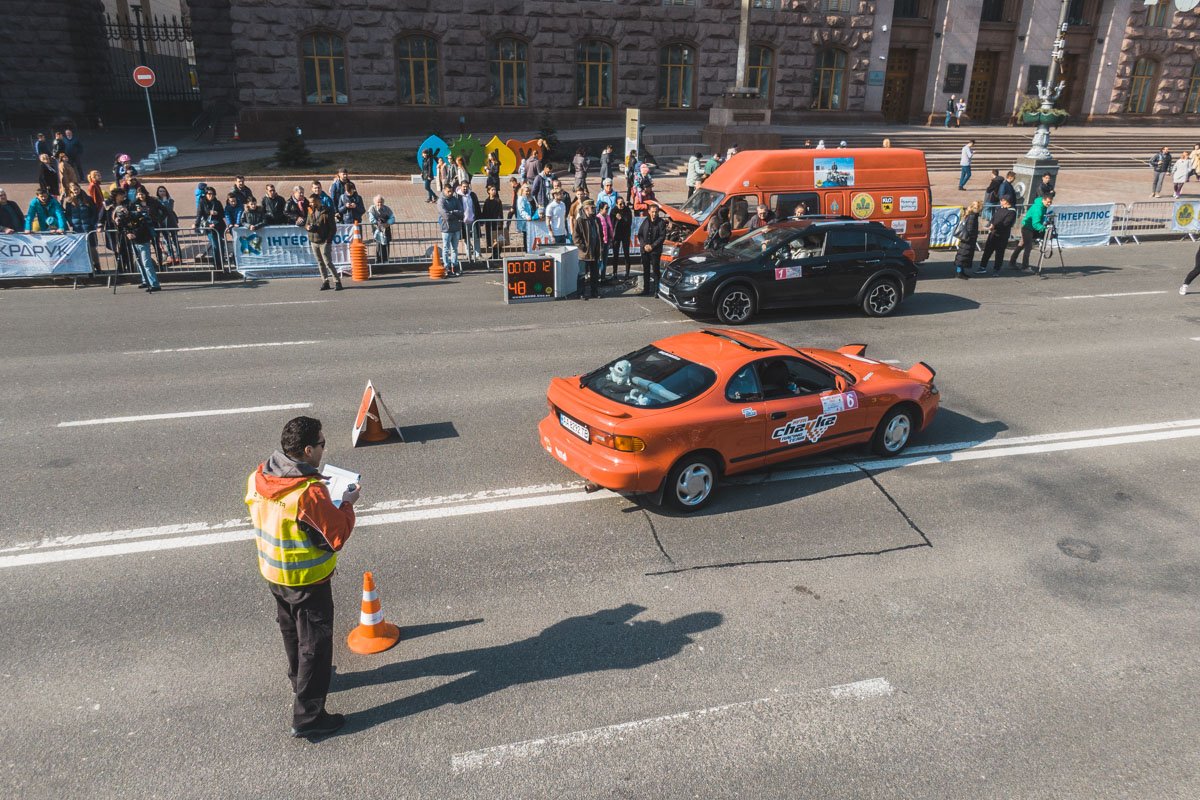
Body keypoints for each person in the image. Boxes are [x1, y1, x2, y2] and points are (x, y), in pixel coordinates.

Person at [245, 415, 360, 739]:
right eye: (322, 444)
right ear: (308, 450)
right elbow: (335, 535)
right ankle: (308, 716)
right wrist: (347, 505)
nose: (324, 448)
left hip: (273, 571)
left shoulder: (259, 476)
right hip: (306, 579)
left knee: (291, 630)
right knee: (316, 644)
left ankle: (299, 678)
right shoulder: (308, 492)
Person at [115, 203, 161, 292]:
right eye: (120, 212)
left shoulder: (136, 215)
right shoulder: (122, 219)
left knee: (146, 263)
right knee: (139, 262)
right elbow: (122, 231)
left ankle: (154, 284)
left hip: (143, 241)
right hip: (134, 243)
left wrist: (134, 234)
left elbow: (143, 228)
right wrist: (118, 224)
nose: (123, 213)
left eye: (123, 210)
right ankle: (145, 281)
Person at [304, 192, 341, 290]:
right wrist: (307, 227)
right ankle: (325, 281)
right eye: (310, 203)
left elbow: (333, 228)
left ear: (318, 201)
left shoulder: (327, 211)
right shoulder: (310, 211)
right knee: (320, 262)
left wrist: (328, 240)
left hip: (324, 241)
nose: (311, 204)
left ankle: (337, 281)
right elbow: (307, 223)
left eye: (313, 202)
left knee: (328, 262)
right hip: (313, 240)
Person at [1009, 195, 1053, 271]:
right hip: (1028, 228)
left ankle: (1012, 262)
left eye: (1050, 202)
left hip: (1029, 227)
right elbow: (1035, 223)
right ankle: (1025, 266)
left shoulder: (1043, 206)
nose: (1049, 204)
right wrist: (1044, 229)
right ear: (1043, 200)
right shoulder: (1038, 208)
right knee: (1028, 247)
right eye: (1048, 202)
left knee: (1021, 245)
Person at [573, 199, 603, 300]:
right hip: (585, 253)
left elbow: (600, 234)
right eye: (592, 207)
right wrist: (583, 247)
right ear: (586, 209)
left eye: (594, 207)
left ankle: (594, 292)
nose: (594, 209)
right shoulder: (580, 220)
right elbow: (576, 237)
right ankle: (580, 293)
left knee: (595, 274)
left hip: (595, 251)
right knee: (582, 274)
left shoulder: (596, 219)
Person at [979, 196, 1017, 274]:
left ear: (1007, 201)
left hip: (1002, 235)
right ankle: (982, 267)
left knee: (999, 253)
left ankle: (996, 269)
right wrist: (990, 224)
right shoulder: (1000, 209)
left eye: (1002, 200)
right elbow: (994, 218)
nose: (1000, 202)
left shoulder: (1012, 212)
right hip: (993, 234)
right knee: (987, 251)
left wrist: (995, 226)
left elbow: (1006, 223)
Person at [638, 203, 667, 296]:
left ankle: (656, 290)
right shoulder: (645, 221)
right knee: (646, 270)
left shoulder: (661, 222)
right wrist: (644, 245)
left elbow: (662, 237)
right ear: (649, 212)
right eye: (653, 212)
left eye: (656, 212)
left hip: (655, 251)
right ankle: (646, 289)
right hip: (645, 250)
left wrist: (652, 246)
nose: (654, 214)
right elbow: (640, 234)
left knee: (656, 270)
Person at [437, 182, 465, 276]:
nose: (450, 193)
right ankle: (446, 266)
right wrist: (455, 214)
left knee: (455, 249)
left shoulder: (455, 199)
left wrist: (452, 212)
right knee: (446, 249)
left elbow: (461, 212)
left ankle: (455, 266)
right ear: (444, 190)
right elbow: (445, 215)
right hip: (446, 229)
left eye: (451, 191)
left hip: (456, 228)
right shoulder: (441, 201)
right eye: (448, 191)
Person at [196, 186, 227, 269]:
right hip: (209, 228)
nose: (211, 195)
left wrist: (216, 213)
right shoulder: (202, 202)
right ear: (205, 194)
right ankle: (216, 265)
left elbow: (223, 214)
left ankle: (221, 264)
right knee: (215, 246)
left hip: (219, 226)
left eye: (213, 194)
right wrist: (196, 225)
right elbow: (199, 215)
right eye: (209, 194)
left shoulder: (217, 203)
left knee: (221, 245)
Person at [154, 186, 182, 266]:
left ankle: (179, 257)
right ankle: (171, 256)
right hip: (162, 223)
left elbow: (169, 210)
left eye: (163, 191)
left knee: (175, 241)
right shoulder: (156, 201)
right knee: (167, 241)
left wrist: (165, 201)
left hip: (171, 222)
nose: (162, 193)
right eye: (160, 191)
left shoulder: (170, 200)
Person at [955, 200, 981, 278]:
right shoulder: (973, 216)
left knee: (963, 255)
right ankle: (959, 272)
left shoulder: (970, 214)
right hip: (968, 239)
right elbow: (970, 229)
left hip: (966, 238)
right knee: (963, 256)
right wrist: (972, 237)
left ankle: (961, 271)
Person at [365, 195, 395, 264]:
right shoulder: (372, 208)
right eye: (378, 202)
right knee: (379, 244)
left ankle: (386, 259)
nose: (380, 204)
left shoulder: (387, 209)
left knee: (386, 244)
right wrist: (379, 224)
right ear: (375, 202)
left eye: (381, 202)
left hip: (386, 229)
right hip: (377, 230)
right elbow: (371, 219)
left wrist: (387, 223)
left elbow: (393, 218)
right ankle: (378, 260)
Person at [458, 181, 481, 261]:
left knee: (476, 237)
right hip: (463, 221)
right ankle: (468, 254)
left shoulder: (472, 195)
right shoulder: (457, 196)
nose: (465, 188)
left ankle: (478, 254)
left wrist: (479, 219)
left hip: (473, 220)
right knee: (466, 239)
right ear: (460, 186)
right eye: (464, 186)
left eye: (466, 186)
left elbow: (477, 207)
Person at [611, 196, 633, 279]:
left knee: (626, 254)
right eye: (620, 204)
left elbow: (629, 222)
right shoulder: (614, 211)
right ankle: (614, 272)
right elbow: (611, 223)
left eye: (623, 203)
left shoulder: (627, 210)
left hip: (625, 234)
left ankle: (627, 272)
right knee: (615, 254)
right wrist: (615, 218)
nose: (622, 205)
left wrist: (621, 218)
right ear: (616, 204)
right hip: (616, 235)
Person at [481, 184, 504, 260]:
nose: (494, 191)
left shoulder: (498, 201)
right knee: (491, 240)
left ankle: (498, 254)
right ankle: (493, 254)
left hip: (496, 223)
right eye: (492, 190)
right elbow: (484, 212)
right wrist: (483, 220)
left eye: (495, 190)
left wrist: (499, 223)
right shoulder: (487, 201)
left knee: (498, 239)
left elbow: (500, 213)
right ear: (488, 191)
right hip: (489, 223)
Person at [515, 183, 537, 252]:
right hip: (526, 221)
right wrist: (527, 216)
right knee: (526, 237)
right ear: (522, 191)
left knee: (532, 236)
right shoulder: (521, 199)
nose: (528, 192)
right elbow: (521, 210)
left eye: (529, 191)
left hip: (533, 219)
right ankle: (526, 250)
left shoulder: (531, 198)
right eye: (526, 191)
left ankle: (532, 249)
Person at [596, 202, 614, 280]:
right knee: (599, 260)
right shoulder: (597, 218)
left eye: (608, 208)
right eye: (606, 208)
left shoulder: (608, 217)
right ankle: (597, 277)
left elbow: (610, 228)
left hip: (607, 241)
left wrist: (611, 238)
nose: (607, 210)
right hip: (600, 242)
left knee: (605, 260)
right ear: (601, 209)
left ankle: (603, 277)